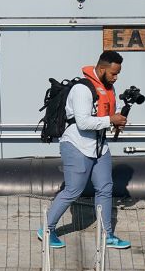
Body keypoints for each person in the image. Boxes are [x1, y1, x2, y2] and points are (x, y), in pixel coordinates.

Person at [40, 50, 131, 250]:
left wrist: (115, 121)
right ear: (101, 68)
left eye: (118, 74)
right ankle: (47, 229)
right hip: (76, 145)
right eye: (113, 73)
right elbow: (82, 122)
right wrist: (110, 120)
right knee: (73, 190)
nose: (115, 78)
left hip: (99, 146)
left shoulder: (109, 88)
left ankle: (107, 235)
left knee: (105, 188)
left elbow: (102, 115)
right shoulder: (82, 89)